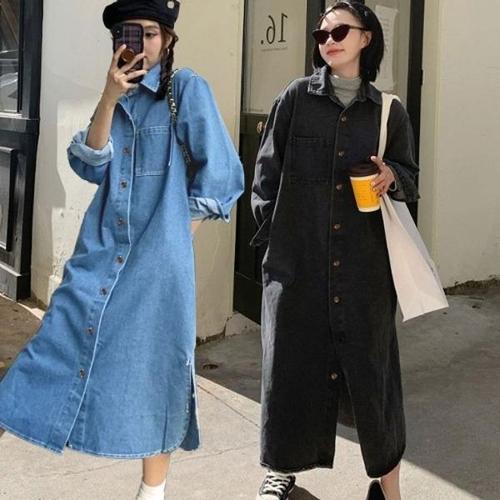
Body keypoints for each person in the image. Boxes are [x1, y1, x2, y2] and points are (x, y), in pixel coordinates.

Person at [0, 1, 244, 499]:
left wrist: (174, 236)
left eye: (150, 33)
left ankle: (152, 493)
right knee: (52, 348)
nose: (140, 44)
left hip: (157, 269)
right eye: (128, 35)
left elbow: (222, 177)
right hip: (98, 254)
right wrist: (109, 97)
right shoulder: (118, 95)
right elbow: (89, 164)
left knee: (156, 371)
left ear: (168, 39)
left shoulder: (185, 89)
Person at [251, 2, 419, 499]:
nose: (328, 40)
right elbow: (265, 175)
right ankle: (280, 470)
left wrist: (391, 177)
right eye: (321, 34)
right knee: (288, 369)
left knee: (374, 376)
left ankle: (389, 484)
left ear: (366, 38)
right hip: (297, 263)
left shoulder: (388, 111)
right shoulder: (295, 98)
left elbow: (410, 176)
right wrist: (276, 240)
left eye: (340, 31)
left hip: (365, 269)